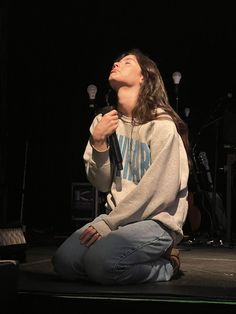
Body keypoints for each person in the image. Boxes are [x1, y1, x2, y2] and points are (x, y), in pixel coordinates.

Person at [52, 48, 191, 285]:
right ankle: (115, 263)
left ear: (143, 78)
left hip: (156, 221)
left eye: (127, 62)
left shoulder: (162, 125)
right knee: (64, 262)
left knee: (100, 263)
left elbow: (160, 193)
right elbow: (101, 182)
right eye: (116, 61)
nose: (116, 64)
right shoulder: (104, 122)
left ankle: (167, 266)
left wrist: (110, 223)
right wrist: (98, 143)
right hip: (116, 219)